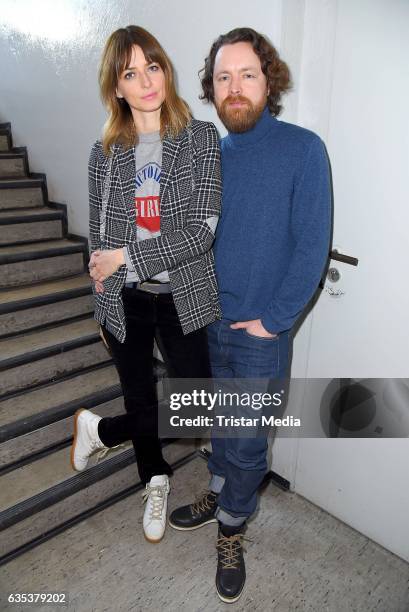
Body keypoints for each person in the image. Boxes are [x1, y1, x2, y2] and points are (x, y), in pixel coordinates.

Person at [169, 27, 331, 603]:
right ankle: (218, 491)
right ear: (211, 89)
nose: (234, 87)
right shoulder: (207, 153)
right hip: (206, 323)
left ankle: (232, 527)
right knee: (215, 427)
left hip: (259, 334)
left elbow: (312, 248)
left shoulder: (304, 150)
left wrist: (273, 320)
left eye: (247, 74)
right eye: (223, 77)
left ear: (269, 81)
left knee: (247, 440)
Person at [70, 25, 221, 544]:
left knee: (197, 401)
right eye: (130, 73)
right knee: (139, 397)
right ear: (117, 87)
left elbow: (201, 232)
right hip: (124, 302)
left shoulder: (200, 139)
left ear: (165, 70)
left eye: (152, 66)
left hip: (182, 293)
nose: (146, 81)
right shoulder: (104, 153)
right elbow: (98, 242)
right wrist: (103, 299)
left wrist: (127, 259)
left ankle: (101, 432)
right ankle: (153, 478)